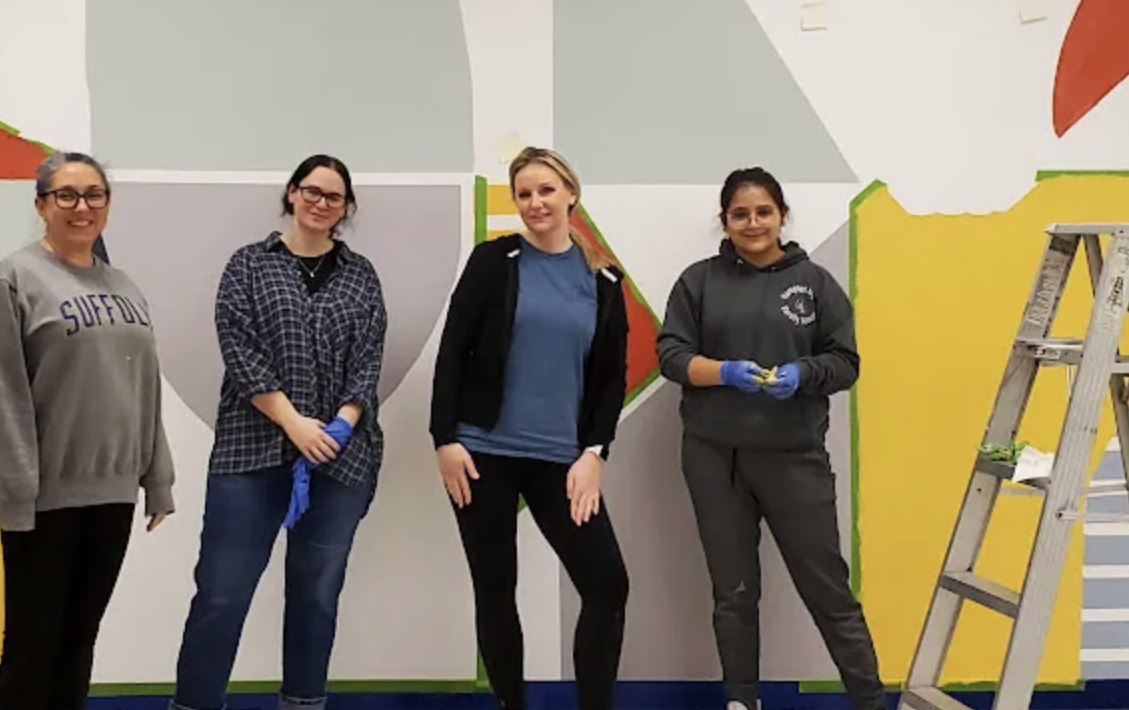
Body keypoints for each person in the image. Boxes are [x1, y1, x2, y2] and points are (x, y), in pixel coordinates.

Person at [656, 167, 886, 710]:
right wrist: (725, 371)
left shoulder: (815, 283)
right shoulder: (699, 281)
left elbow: (846, 362)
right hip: (714, 459)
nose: (752, 222)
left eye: (763, 211)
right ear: (725, 220)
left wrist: (803, 375)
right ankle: (742, 700)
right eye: (740, 213)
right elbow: (671, 355)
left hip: (794, 460)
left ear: (782, 215)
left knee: (828, 590)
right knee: (732, 592)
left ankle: (872, 703)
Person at [171, 154, 387, 710]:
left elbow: (368, 362)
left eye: (333, 197)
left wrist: (339, 426)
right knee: (221, 594)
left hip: (340, 461)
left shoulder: (361, 276)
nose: (320, 203)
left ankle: (303, 705)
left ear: (345, 208)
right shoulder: (248, 265)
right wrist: (294, 423)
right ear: (291, 193)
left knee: (316, 595)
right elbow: (239, 350)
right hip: (251, 452)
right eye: (311, 191)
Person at [0, 150, 175, 710]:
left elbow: (144, 389)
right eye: (67, 195)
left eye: (94, 195)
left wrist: (158, 478)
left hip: (114, 493)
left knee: (79, 641)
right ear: (41, 205)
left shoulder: (125, 286)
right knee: (33, 646)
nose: (82, 207)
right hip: (45, 497)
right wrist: (17, 492)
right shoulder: (12, 280)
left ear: (107, 206)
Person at [430, 146, 630, 710]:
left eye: (546, 190)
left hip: (561, 459)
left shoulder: (605, 280)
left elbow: (609, 380)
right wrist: (444, 440)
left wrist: (594, 452)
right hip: (481, 454)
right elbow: (452, 352)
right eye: (524, 194)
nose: (535, 202)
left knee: (607, 584)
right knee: (496, 591)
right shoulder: (494, 261)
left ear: (571, 193)